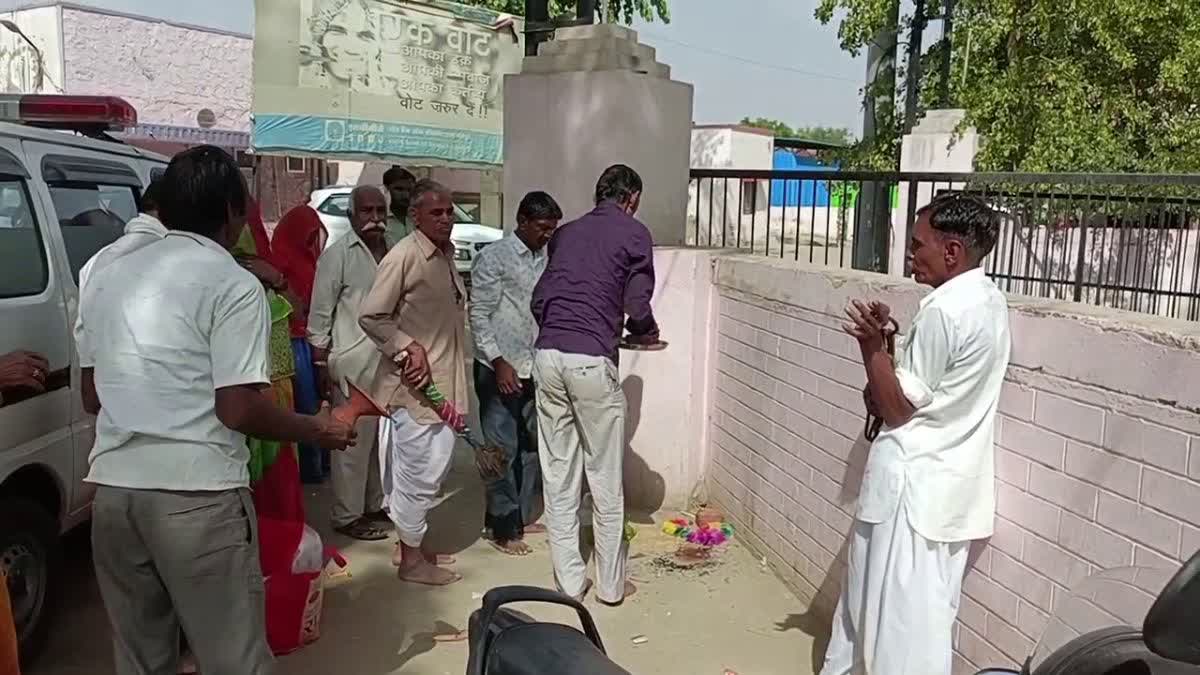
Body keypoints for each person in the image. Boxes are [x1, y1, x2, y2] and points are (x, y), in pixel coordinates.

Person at [80, 145, 355, 675]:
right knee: (235, 659)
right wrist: (315, 429)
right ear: (233, 212)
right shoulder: (231, 282)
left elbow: (93, 396)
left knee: (141, 659)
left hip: (114, 495)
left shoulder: (105, 271)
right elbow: (237, 408)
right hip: (196, 498)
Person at [823, 193, 1011, 675]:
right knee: (922, 624)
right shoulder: (989, 301)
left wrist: (871, 349)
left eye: (917, 244)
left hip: (909, 500)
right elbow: (935, 387)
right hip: (946, 498)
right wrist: (889, 344)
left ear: (952, 251)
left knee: (885, 624)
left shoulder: (944, 310)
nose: (909, 254)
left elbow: (897, 409)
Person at [529, 164, 659, 605]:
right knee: (603, 477)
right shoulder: (635, 233)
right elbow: (636, 304)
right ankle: (610, 586)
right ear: (633, 198)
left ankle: (569, 584)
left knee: (559, 473)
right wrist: (645, 332)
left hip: (547, 357)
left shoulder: (565, 235)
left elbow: (539, 300)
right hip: (590, 360)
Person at [359, 178, 466, 586]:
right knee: (417, 473)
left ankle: (413, 547)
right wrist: (407, 347)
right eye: (435, 212)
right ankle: (411, 562)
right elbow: (372, 315)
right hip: (416, 390)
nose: (445, 219)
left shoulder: (445, 255)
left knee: (429, 471)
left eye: (449, 211)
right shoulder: (404, 256)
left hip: (445, 384)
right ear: (415, 216)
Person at [469, 191, 561, 556]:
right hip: (498, 369)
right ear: (521, 221)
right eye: (541, 228)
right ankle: (502, 528)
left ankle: (516, 516)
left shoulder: (548, 258)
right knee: (500, 449)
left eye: (552, 229)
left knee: (530, 448)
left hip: (533, 365)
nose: (547, 235)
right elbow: (479, 314)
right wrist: (498, 359)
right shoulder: (494, 257)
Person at [309, 186, 393, 541]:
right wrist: (321, 368)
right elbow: (319, 317)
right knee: (352, 446)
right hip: (351, 367)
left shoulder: (394, 252)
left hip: (389, 366)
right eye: (366, 210)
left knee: (380, 448)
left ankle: (373, 506)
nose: (374, 218)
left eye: (379, 210)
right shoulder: (338, 256)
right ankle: (347, 516)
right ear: (352, 215)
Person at [271, 204, 329, 484]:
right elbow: (294, 306)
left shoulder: (314, 261)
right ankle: (310, 468)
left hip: (314, 338)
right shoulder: (280, 262)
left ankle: (323, 460)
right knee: (304, 405)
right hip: (294, 340)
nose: (313, 240)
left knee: (320, 399)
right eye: (308, 235)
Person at [383, 166, 417, 242]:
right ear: (386, 189)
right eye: (399, 189)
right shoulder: (381, 219)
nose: (406, 195)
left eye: (409, 190)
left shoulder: (417, 218)